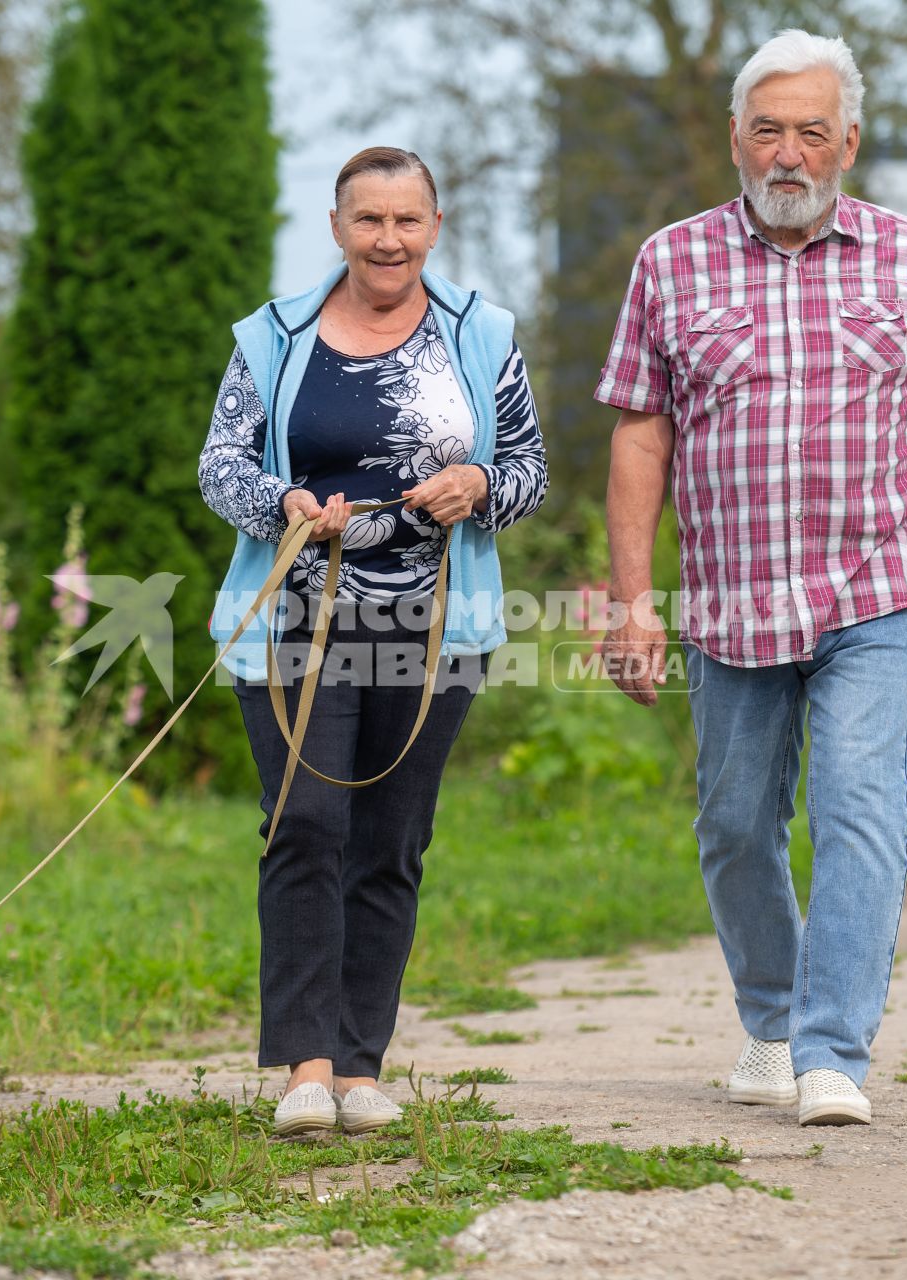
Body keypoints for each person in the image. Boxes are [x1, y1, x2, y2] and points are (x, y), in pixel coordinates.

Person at [596, 30, 907, 1127]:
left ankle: (833, 1051)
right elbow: (640, 437)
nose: (787, 152)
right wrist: (631, 597)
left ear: (849, 142)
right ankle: (772, 1019)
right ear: (735, 137)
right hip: (728, 602)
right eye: (766, 129)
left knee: (861, 811)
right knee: (732, 825)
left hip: (873, 592)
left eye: (810, 131)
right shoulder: (669, 261)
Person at [199, 146, 548, 1138]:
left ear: (433, 227)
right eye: (369, 220)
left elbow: (527, 467)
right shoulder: (275, 337)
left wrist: (480, 486)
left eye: (406, 220)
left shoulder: (483, 335)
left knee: (391, 839)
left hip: (435, 629)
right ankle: (304, 1064)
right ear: (338, 227)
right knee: (305, 822)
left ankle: (361, 1062)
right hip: (293, 623)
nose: (388, 239)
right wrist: (284, 502)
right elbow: (221, 465)